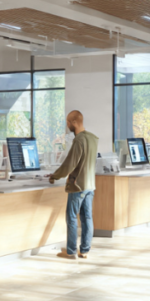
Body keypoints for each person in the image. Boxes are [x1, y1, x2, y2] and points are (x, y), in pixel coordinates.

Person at [49, 110, 99, 260]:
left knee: (71, 218)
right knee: (87, 218)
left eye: (68, 122)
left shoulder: (79, 140)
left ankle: (71, 251)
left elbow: (71, 163)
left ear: (75, 122)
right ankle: (84, 250)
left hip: (78, 186)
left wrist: (54, 176)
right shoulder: (93, 138)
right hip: (90, 185)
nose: (67, 125)